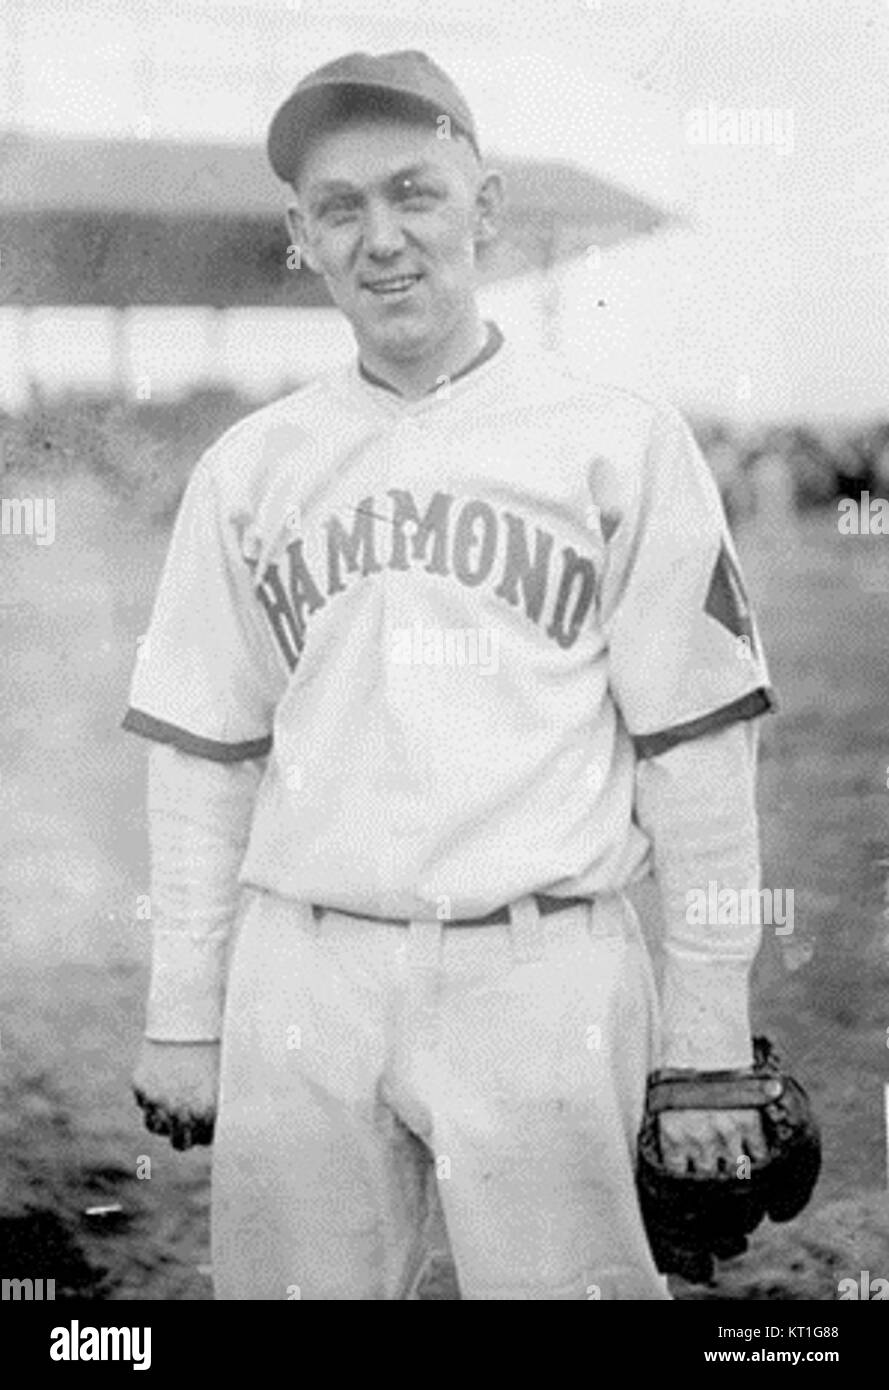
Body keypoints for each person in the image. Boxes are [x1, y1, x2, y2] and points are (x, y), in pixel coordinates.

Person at [127, 50, 775, 1300]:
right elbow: (205, 755)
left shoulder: (619, 444)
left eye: (415, 192)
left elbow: (697, 755)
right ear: (301, 238)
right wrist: (183, 1012)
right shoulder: (249, 467)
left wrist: (702, 1050)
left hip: (541, 968)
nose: (383, 239)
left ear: (482, 210)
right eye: (339, 208)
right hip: (303, 968)